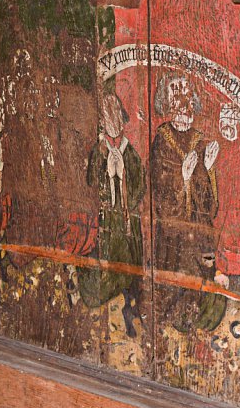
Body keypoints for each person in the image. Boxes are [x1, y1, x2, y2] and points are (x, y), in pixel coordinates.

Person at [150, 72, 227, 333]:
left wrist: (207, 168)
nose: (183, 102)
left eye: (186, 95)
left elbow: (208, 207)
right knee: (179, 290)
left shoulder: (197, 138)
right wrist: (182, 178)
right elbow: (162, 196)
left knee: (208, 291)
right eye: (176, 95)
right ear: (167, 102)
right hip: (175, 237)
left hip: (199, 234)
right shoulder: (162, 140)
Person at [78, 94, 145, 337]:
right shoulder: (98, 152)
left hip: (127, 222)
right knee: (110, 267)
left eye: (116, 116)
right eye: (108, 118)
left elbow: (140, 184)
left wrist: (129, 196)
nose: (113, 122)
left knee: (132, 266)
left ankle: (131, 307)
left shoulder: (130, 153)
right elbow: (90, 183)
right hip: (107, 221)